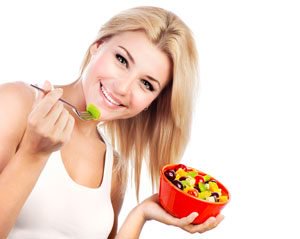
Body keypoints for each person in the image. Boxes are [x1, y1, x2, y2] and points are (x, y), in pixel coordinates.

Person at [0, 6, 224, 239]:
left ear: (152, 102)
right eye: (121, 60)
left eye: (146, 84)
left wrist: (140, 214)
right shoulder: (15, 104)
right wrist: (33, 154)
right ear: (97, 46)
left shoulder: (114, 168)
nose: (122, 88)